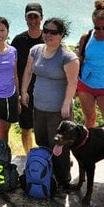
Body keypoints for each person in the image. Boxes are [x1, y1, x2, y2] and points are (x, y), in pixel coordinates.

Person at [21, 17, 79, 190]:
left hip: (58, 112)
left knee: (59, 146)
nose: (48, 35)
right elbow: (28, 71)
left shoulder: (68, 57)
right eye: (45, 30)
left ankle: (64, 180)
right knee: (42, 141)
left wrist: (66, 104)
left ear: (61, 34)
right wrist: (23, 91)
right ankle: (48, 173)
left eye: (53, 32)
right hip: (39, 107)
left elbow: (72, 83)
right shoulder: (36, 50)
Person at [11, 3, 44, 155]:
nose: (33, 20)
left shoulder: (48, 38)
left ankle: (45, 158)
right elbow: (13, 69)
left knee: (45, 128)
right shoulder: (18, 41)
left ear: (41, 18)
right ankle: (30, 157)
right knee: (26, 128)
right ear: (25, 18)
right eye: (29, 17)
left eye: (35, 17)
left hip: (45, 91)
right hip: (25, 93)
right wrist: (17, 93)